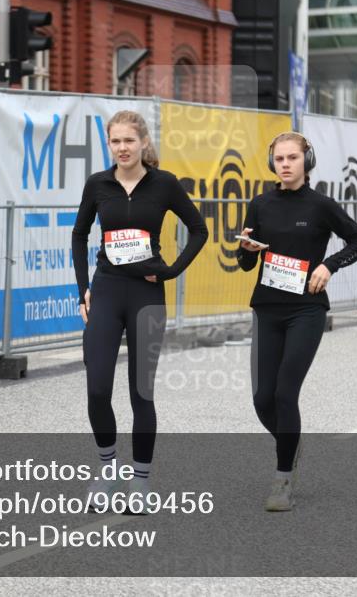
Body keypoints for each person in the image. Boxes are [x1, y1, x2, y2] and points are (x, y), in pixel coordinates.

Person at [71, 110, 208, 512]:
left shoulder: (163, 184)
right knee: (97, 387)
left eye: (129, 141)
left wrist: (171, 271)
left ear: (143, 143)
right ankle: (108, 470)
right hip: (108, 290)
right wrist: (83, 291)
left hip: (146, 294)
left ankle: (141, 480)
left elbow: (198, 229)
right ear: (109, 144)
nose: (123, 148)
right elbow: (79, 235)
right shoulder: (98, 184)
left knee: (140, 392)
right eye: (115, 141)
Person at [237, 132, 357, 512]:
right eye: (279, 159)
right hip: (267, 307)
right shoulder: (260, 204)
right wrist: (244, 250)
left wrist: (329, 265)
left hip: (306, 310)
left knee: (284, 393)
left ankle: (282, 480)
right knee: (262, 399)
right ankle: (290, 442)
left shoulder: (321, 205)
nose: (285, 164)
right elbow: (246, 263)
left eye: (293, 158)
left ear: (306, 162)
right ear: (271, 163)